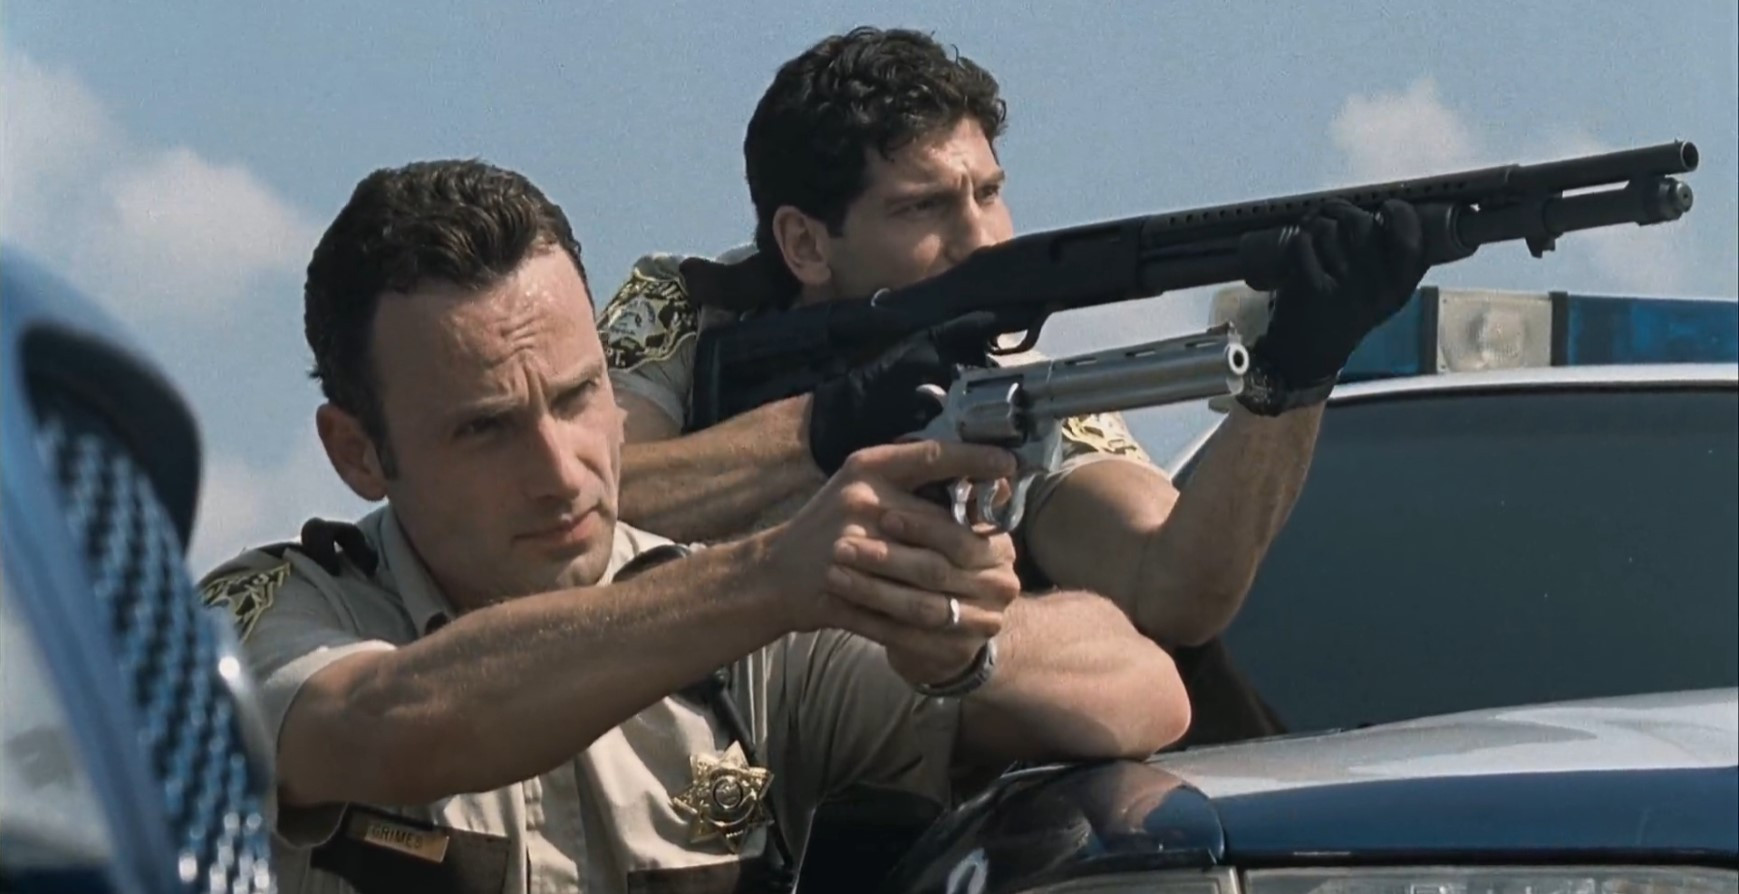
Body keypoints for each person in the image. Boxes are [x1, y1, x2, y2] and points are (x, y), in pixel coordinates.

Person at [197, 158, 1188, 894]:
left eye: (579, 396)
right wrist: (764, 580)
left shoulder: (744, 634)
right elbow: (388, 727)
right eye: (484, 429)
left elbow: (1142, 693)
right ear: (357, 453)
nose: (561, 471)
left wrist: (958, 638)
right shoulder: (260, 617)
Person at [596, 27, 1428, 744]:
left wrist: (1295, 375)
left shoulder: (1011, 380)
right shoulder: (691, 305)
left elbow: (1172, 589)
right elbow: (588, 503)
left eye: (989, 193)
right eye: (923, 207)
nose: (981, 239)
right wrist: (821, 427)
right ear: (805, 245)